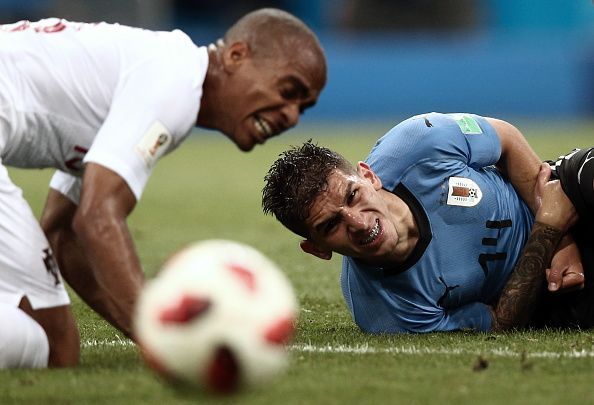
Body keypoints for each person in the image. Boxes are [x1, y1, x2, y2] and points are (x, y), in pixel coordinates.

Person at [0, 8, 327, 368]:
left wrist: (150, 336)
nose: (292, 116)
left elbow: (64, 233)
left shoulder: (162, 69)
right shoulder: (176, 85)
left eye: (304, 107)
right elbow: (98, 217)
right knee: (51, 344)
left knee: (53, 344)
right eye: (289, 90)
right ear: (236, 56)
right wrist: (169, 342)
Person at [262, 112, 593, 334]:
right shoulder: (384, 311)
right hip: (545, 295)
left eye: (352, 196)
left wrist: (561, 238)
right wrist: (548, 232)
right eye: (330, 225)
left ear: (368, 175)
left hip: (551, 199)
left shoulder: (418, 141)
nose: (358, 223)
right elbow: (500, 322)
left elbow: (504, 138)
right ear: (318, 250)